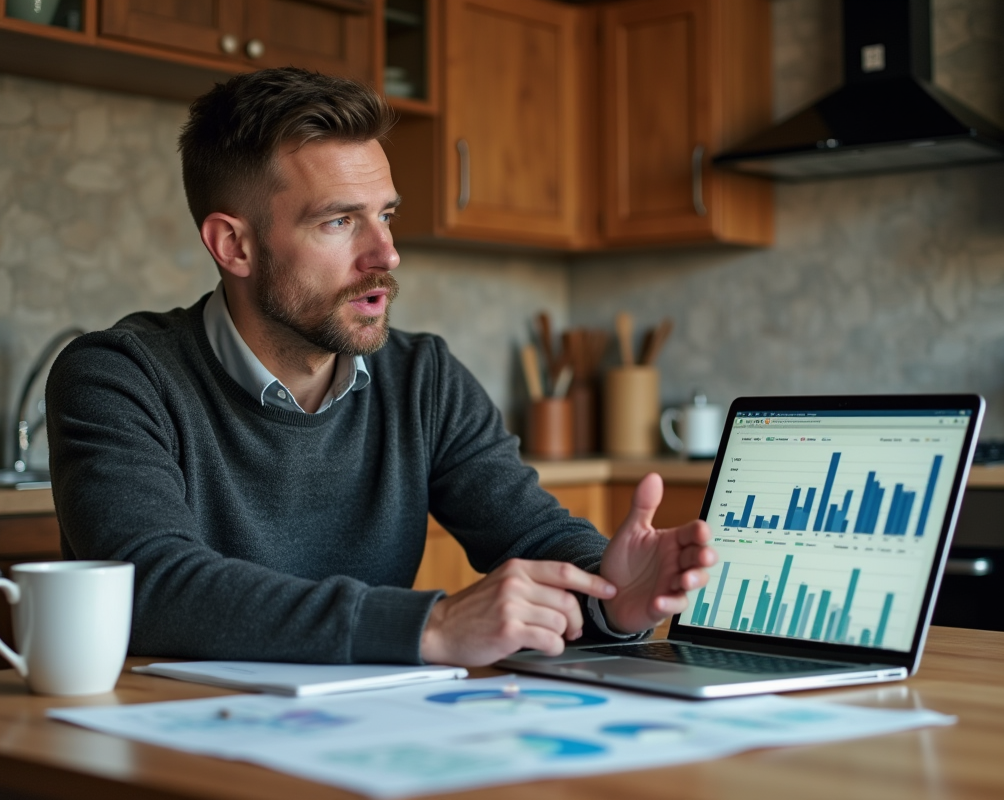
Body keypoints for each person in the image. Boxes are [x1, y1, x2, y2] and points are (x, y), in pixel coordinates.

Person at [46, 67, 716, 667]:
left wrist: (611, 592)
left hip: (368, 739)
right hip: (177, 738)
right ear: (234, 245)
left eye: (386, 216)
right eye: (340, 222)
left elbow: (531, 532)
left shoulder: (422, 377)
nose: (386, 254)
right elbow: (151, 585)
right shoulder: (118, 376)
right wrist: (432, 626)